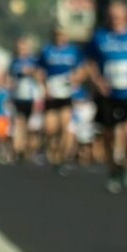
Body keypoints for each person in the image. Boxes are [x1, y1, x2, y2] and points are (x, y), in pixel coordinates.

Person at [85, 0, 127, 190]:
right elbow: (90, 62)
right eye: (112, 17)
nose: (115, 20)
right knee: (109, 134)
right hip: (107, 94)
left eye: (119, 17)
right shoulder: (99, 36)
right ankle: (113, 170)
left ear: (126, 17)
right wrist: (97, 80)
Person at [39, 21, 83, 168]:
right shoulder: (47, 50)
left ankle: (62, 156)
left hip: (66, 93)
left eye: (62, 35)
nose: (60, 37)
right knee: (50, 128)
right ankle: (52, 150)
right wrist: (43, 86)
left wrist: (76, 78)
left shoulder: (73, 50)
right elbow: (39, 70)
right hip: (52, 93)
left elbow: (81, 69)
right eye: (57, 35)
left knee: (65, 126)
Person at [9, 37, 43, 161]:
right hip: (19, 97)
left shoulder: (34, 60)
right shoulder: (14, 61)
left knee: (31, 128)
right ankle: (19, 150)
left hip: (32, 98)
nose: (21, 50)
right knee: (19, 124)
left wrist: (32, 72)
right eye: (19, 48)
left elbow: (39, 75)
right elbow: (12, 76)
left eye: (23, 47)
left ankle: (30, 150)